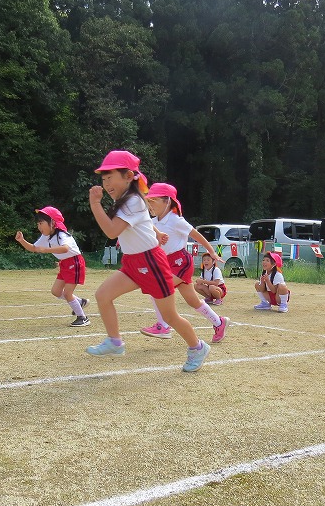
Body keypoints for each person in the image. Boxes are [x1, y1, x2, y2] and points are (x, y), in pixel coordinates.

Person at [86, 150, 211, 372]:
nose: (106, 183)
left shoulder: (133, 201)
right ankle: (115, 342)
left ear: (128, 176)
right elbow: (143, 221)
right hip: (133, 262)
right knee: (103, 295)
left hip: (151, 263)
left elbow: (112, 231)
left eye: (110, 177)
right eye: (103, 179)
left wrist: (95, 204)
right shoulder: (125, 200)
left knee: (169, 316)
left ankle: (198, 347)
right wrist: (156, 231)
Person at [140, 183, 230, 343]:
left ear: (168, 201)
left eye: (154, 201)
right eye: (148, 201)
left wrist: (212, 252)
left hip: (181, 262)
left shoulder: (176, 220)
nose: (150, 205)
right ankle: (219, 323)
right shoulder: (154, 222)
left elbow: (196, 235)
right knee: (192, 301)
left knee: (157, 288)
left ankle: (163, 326)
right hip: (167, 263)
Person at [15, 207, 89, 327]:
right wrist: (22, 241)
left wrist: (46, 250)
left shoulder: (62, 235)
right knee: (56, 291)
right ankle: (80, 302)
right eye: (38, 223)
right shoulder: (46, 237)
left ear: (53, 222)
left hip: (75, 263)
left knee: (67, 293)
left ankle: (83, 318)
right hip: (65, 264)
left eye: (41, 223)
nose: (39, 226)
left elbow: (65, 248)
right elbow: (34, 248)